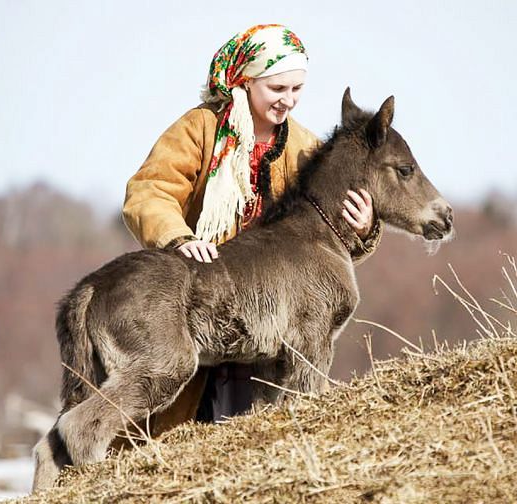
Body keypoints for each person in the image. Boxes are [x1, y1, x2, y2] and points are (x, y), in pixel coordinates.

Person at [121, 24, 382, 433]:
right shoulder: (200, 128)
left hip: (266, 314)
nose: (289, 101)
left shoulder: (304, 148)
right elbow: (149, 192)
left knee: (255, 433)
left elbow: (324, 236)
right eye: (278, 88)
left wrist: (364, 229)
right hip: (197, 298)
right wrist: (179, 238)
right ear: (245, 79)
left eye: (297, 89)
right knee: (167, 427)